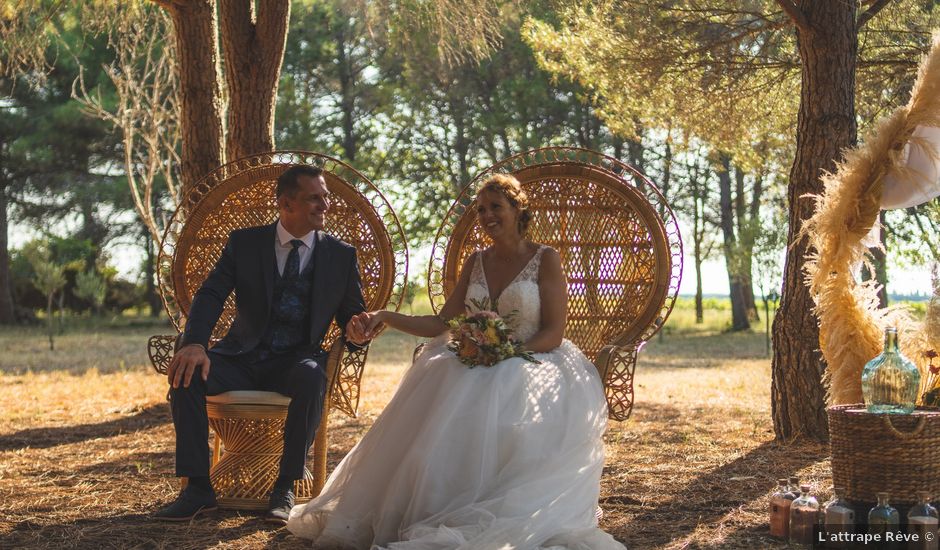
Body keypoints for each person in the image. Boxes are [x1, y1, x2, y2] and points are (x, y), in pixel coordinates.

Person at [287, 174, 626, 549]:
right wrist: (385, 315)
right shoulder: (475, 262)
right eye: (481, 210)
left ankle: (496, 508)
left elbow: (553, 333)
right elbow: (442, 322)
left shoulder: (545, 259)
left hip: (533, 360)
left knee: (497, 389)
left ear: (518, 209)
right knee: (441, 383)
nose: (486, 215)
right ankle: (433, 508)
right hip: (474, 357)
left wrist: (505, 353)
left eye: (495, 207)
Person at [154, 165, 372, 524]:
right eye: (314, 198)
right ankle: (197, 489)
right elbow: (211, 294)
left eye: (326, 196)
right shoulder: (245, 242)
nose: (325, 205)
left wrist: (357, 329)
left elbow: (352, 314)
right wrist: (194, 343)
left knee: (312, 377)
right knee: (187, 372)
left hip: (295, 362)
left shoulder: (340, 255)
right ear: (286, 203)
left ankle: (284, 488)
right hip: (241, 356)